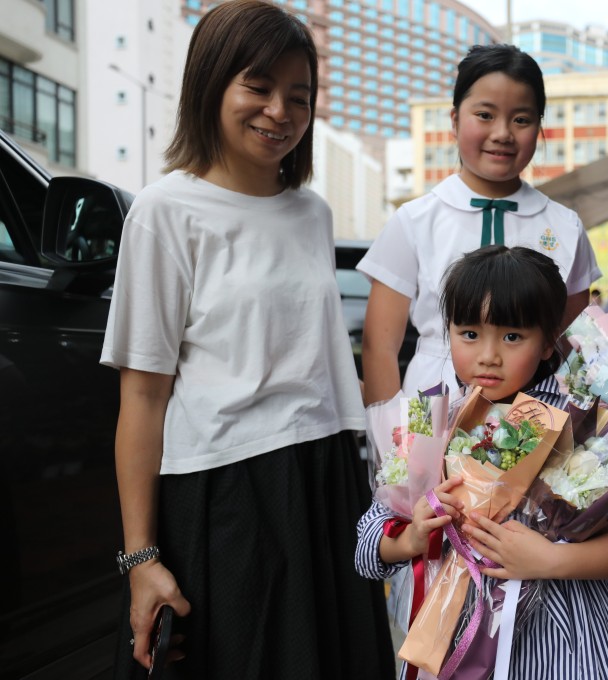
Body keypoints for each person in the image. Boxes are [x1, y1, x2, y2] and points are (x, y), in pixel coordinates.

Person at [100, 3, 394, 678]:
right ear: (211, 84)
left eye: (299, 96)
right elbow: (142, 399)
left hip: (325, 477)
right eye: (258, 87)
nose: (279, 111)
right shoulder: (164, 212)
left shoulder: (312, 213)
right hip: (227, 487)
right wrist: (140, 558)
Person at [355, 246, 608, 679]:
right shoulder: (430, 420)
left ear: (549, 340)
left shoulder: (581, 421)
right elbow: (368, 546)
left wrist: (550, 560)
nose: (489, 355)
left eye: (512, 336)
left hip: (562, 647)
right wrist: (411, 537)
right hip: (452, 640)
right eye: (469, 333)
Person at [357, 44, 600, 404]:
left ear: (539, 127)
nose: (502, 133)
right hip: (431, 409)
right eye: (485, 115)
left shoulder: (565, 226)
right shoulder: (414, 220)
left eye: (521, 119)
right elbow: (380, 347)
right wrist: (390, 432)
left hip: (536, 417)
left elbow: (576, 346)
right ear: (455, 120)